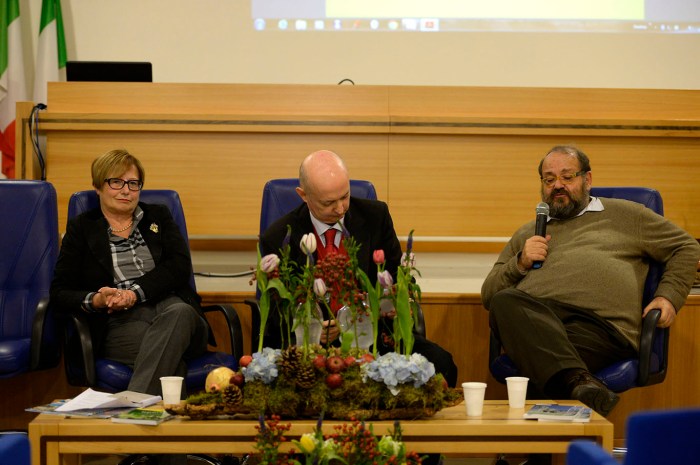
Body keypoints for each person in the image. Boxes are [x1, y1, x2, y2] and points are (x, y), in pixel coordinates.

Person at [481, 145, 700, 417]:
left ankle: (559, 422)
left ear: (587, 179)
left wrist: (668, 296)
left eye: (567, 177)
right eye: (549, 179)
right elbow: (489, 295)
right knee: (505, 302)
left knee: (538, 360)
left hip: (600, 328)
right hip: (540, 326)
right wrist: (520, 263)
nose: (557, 185)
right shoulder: (528, 232)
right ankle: (581, 385)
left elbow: (687, 247)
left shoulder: (628, 215)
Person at [259, 149, 458, 388]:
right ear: (303, 195)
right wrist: (312, 328)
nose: (340, 208)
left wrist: (392, 301)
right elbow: (275, 311)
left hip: (374, 337)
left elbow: (397, 277)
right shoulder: (278, 236)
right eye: (328, 202)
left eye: (345, 196)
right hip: (311, 347)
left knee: (442, 364)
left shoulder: (376, 216)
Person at [50, 149, 211, 398]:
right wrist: (97, 299)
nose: (126, 190)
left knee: (180, 313)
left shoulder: (158, 216)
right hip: (121, 323)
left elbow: (179, 266)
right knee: (168, 357)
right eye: (116, 182)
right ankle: (145, 413)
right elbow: (60, 292)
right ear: (98, 186)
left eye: (133, 183)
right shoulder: (81, 228)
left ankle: (131, 407)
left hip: (175, 312)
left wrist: (134, 293)